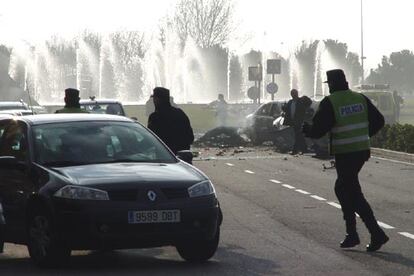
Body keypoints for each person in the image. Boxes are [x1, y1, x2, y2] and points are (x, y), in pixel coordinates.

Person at [302, 69, 389, 252]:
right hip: (360, 151)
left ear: (331, 84)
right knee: (348, 189)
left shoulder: (330, 102)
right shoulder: (360, 98)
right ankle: (356, 234)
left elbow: (319, 130)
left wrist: (307, 129)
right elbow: (379, 120)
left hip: (345, 152)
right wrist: (364, 135)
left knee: (346, 190)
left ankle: (372, 233)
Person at [148, 87, 194, 155]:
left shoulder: (155, 117)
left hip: (164, 155)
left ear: (157, 99)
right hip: (182, 154)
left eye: (155, 98)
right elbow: (190, 136)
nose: (153, 101)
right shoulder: (180, 113)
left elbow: (152, 138)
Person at [281, 89, 312, 154]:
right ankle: (304, 149)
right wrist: (283, 107)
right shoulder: (290, 102)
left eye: (295, 93)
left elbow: (309, 103)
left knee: (298, 135)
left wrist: (306, 107)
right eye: (292, 94)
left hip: (299, 121)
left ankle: (295, 150)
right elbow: (286, 109)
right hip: (293, 122)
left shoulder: (301, 101)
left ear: (297, 94)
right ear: (291, 95)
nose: (294, 95)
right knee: (299, 135)